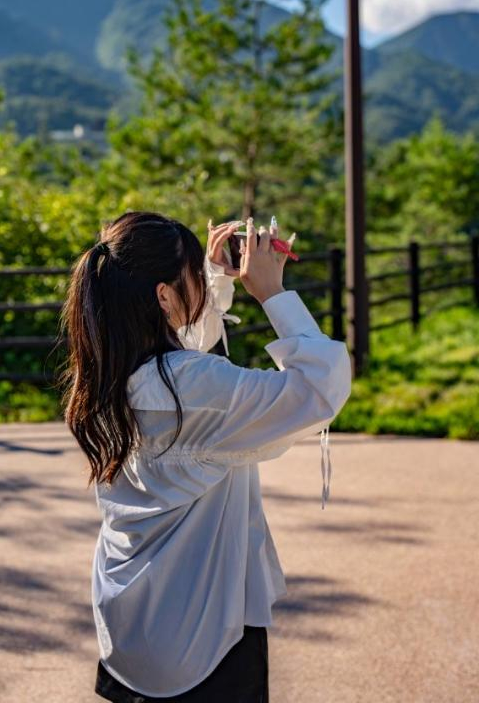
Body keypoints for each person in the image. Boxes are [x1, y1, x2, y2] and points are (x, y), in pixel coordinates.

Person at [59, 211, 352, 702]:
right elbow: (320, 387)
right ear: (163, 295)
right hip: (205, 640)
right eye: (191, 272)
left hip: (130, 626)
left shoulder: (109, 372)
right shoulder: (193, 387)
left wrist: (213, 281)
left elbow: (182, 354)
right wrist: (272, 293)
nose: (201, 277)